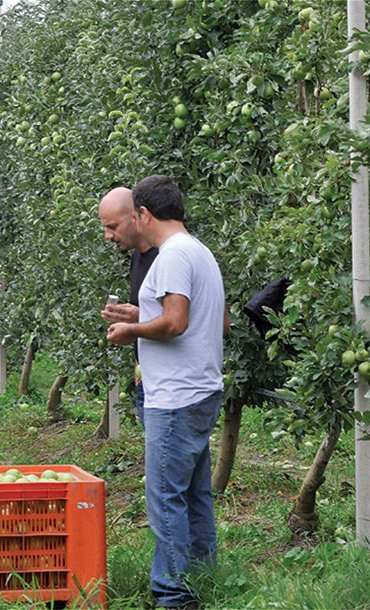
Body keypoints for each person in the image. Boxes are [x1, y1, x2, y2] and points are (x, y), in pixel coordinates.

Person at [105, 175, 226, 610]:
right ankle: (204, 576)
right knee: (193, 493)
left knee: (165, 497)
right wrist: (145, 312)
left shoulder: (172, 256)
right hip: (201, 387)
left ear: (144, 214)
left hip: (174, 396)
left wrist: (131, 330)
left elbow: (175, 322)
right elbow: (215, 321)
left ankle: (174, 594)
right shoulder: (200, 252)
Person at [98, 186, 158, 430]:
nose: (107, 236)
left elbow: (181, 320)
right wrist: (129, 324)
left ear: (135, 216)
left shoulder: (168, 257)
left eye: (112, 226)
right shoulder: (137, 257)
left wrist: (138, 318)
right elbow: (148, 318)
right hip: (147, 380)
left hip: (171, 389)